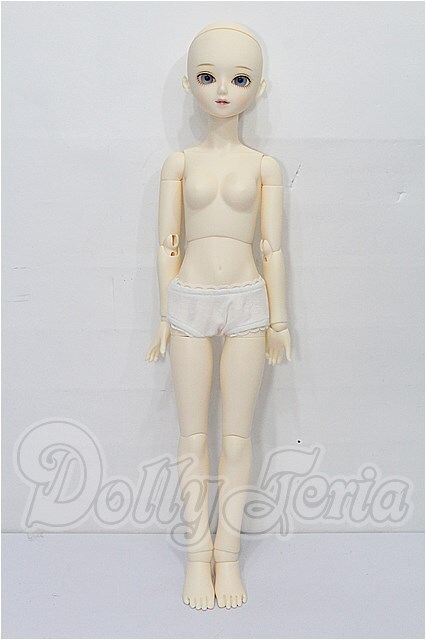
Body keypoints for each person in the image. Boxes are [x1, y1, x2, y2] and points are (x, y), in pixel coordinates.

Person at [146, 22, 291, 610]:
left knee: (236, 437)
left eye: (240, 78)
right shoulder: (178, 163)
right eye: (208, 77)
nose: (223, 90)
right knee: (192, 437)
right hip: (188, 301)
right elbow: (167, 245)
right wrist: (164, 313)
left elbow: (273, 248)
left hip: (248, 301)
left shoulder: (265, 167)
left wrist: (279, 321)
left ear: (260, 88)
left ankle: (226, 557)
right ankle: (196, 555)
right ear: (189, 84)